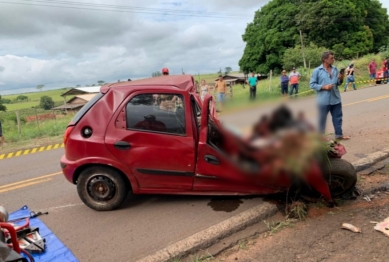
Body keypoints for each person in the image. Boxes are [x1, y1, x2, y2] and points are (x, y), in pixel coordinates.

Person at [310, 50, 350, 140]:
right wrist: (324, 87)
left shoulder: (335, 69)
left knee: (338, 118)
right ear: (325, 59)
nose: (333, 60)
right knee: (322, 120)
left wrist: (341, 78)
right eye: (331, 58)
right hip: (323, 101)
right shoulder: (317, 71)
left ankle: (339, 135)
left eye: (333, 58)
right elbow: (312, 84)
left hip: (336, 99)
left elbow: (338, 83)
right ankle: (321, 138)